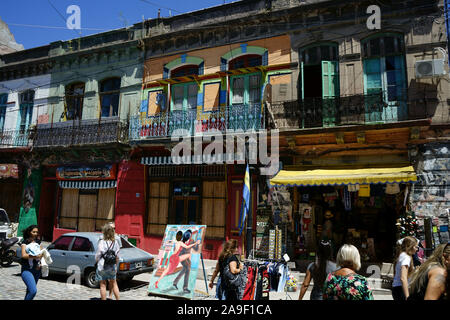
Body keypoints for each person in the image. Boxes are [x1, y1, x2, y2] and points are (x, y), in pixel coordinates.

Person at [95, 223, 120, 300]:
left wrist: (96, 261)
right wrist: (116, 266)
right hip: (112, 267)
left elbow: (98, 255)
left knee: (103, 285)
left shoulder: (102, 242)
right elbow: (117, 257)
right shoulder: (115, 242)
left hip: (102, 266)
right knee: (114, 284)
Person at [20, 225, 42, 300]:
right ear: (30, 232)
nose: (35, 233)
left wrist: (40, 263)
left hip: (37, 270)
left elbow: (41, 253)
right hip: (27, 270)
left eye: (37, 232)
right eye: (34, 232)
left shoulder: (38, 242)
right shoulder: (25, 242)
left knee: (29, 291)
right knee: (33, 291)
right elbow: (23, 255)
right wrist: (35, 256)